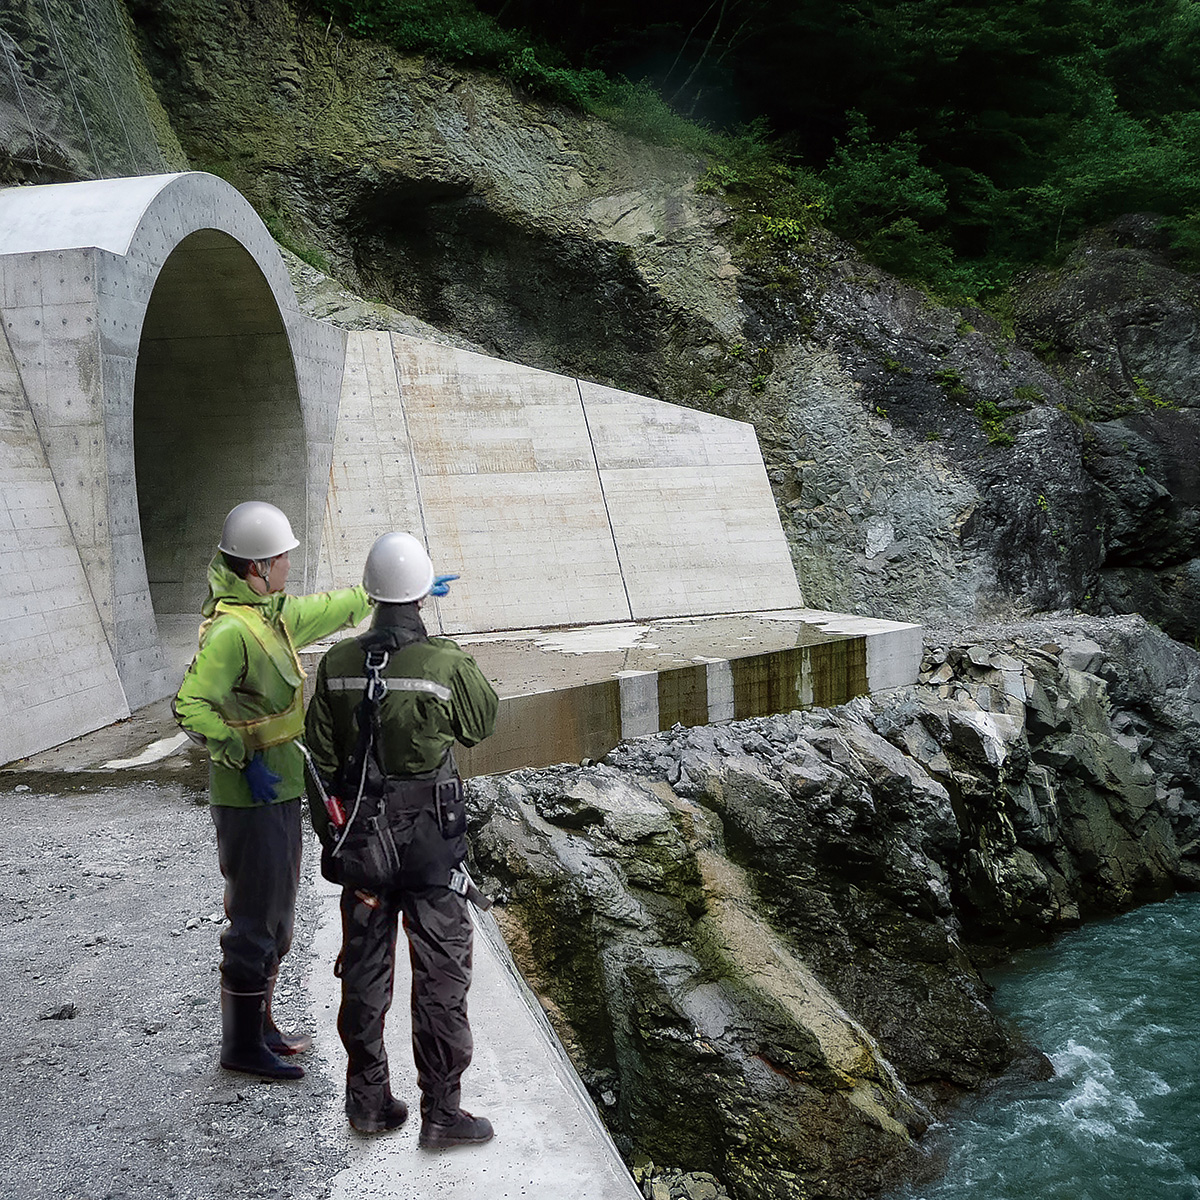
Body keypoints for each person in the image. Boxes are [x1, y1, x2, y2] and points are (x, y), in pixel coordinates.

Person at [303, 531, 498, 1146]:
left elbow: (323, 761)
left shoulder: (334, 664)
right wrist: (448, 654)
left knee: (364, 970)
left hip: (362, 845)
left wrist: (338, 839)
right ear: (422, 594)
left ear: (372, 594)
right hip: (431, 849)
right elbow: (481, 723)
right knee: (440, 973)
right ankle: (442, 1112)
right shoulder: (445, 664)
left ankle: (367, 1103)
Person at [174, 500, 373, 1081]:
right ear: (257, 567)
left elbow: (324, 609)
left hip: (282, 786)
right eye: (281, 556)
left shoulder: (270, 615)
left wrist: (376, 597)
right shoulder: (232, 632)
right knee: (256, 917)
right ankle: (239, 1046)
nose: (289, 563)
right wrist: (238, 753)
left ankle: (259, 1026)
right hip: (249, 795)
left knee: (278, 915)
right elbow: (189, 705)